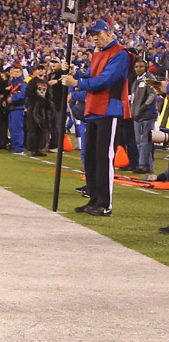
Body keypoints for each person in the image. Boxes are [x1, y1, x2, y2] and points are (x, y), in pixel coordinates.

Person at [62, 19, 133, 217]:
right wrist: (75, 73)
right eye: (92, 35)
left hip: (108, 109)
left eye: (98, 34)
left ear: (108, 32)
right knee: (91, 157)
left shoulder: (120, 54)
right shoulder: (98, 54)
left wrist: (77, 81)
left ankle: (105, 203)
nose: (95, 38)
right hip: (93, 109)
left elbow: (104, 81)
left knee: (104, 157)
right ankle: (94, 198)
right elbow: (91, 76)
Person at [130, 59, 158, 174]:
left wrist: (143, 107)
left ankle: (143, 165)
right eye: (136, 67)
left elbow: (153, 94)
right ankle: (147, 166)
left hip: (147, 115)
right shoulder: (136, 81)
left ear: (145, 67)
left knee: (145, 140)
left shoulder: (149, 78)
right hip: (136, 115)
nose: (138, 69)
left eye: (141, 66)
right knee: (139, 141)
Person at [25, 65, 51, 157]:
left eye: (42, 69)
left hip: (42, 109)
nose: (40, 71)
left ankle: (38, 148)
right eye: (38, 69)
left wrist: (47, 104)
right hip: (33, 107)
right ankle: (31, 149)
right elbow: (28, 93)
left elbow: (48, 95)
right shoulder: (33, 81)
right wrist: (38, 98)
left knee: (41, 129)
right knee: (32, 128)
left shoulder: (46, 82)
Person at [7, 65, 27, 154]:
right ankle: (14, 145)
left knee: (17, 128)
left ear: (21, 73)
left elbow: (23, 95)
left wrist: (13, 98)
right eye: (14, 72)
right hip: (12, 108)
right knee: (11, 128)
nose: (15, 73)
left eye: (17, 72)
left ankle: (18, 147)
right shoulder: (12, 82)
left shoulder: (22, 83)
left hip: (19, 107)